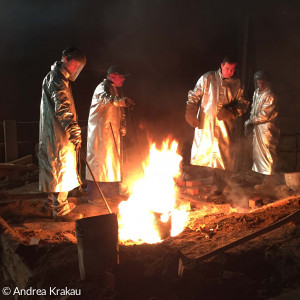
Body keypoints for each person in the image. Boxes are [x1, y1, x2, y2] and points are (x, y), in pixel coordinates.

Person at [185, 56, 249, 194]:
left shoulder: (237, 83)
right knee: (202, 156)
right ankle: (200, 186)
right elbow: (193, 96)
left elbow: (243, 103)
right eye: (227, 68)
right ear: (221, 65)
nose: (230, 72)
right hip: (206, 124)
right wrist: (190, 112)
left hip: (225, 127)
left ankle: (220, 189)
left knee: (223, 159)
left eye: (232, 69)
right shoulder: (208, 78)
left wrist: (232, 111)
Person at [39, 47, 86, 219]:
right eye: (75, 64)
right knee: (61, 168)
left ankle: (51, 202)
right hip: (59, 133)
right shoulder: (57, 79)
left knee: (57, 168)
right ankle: (60, 210)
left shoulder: (58, 78)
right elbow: (63, 108)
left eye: (79, 66)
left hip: (58, 131)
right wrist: (74, 130)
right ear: (66, 59)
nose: (76, 69)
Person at [86, 65, 135, 203]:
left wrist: (123, 125)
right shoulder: (102, 87)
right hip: (100, 133)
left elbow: (119, 111)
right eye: (122, 76)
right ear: (113, 75)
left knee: (109, 163)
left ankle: (108, 195)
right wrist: (122, 101)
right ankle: (94, 197)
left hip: (111, 133)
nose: (124, 79)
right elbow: (106, 98)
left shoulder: (114, 89)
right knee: (98, 164)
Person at [244, 70, 279, 189]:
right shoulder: (256, 93)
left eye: (263, 83)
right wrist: (251, 122)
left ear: (267, 82)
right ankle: (260, 177)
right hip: (257, 128)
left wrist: (250, 121)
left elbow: (264, 115)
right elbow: (254, 109)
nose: (261, 85)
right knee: (258, 153)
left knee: (266, 152)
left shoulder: (270, 96)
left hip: (266, 128)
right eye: (259, 83)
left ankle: (270, 181)